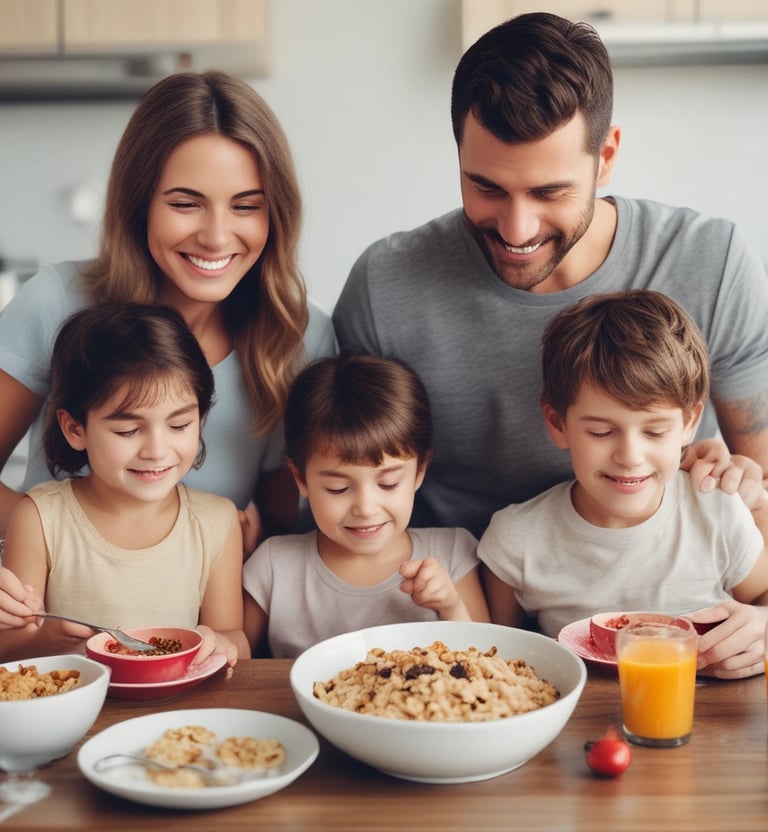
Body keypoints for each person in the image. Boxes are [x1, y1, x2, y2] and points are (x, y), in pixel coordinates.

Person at [332, 12, 768, 541]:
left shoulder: (710, 262)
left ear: (605, 157)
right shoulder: (385, 287)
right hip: (457, 602)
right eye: (487, 187)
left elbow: (760, 481)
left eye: (548, 192)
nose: (517, 230)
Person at [0, 70, 335, 552]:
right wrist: (81, 544)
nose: (217, 237)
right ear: (140, 205)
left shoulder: (302, 338)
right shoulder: (56, 299)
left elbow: (282, 530)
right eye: (186, 203)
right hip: (54, 610)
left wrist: (252, 543)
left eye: (245, 207)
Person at [478, 290, 768, 680]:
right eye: (600, 432)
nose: (630, 455)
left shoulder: (715, 511)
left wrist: (760, 626)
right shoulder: (517, 541)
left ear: (688, 423)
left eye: (654, 431)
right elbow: (492, 660)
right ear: (558, 423)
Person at [0, 303, 250, 665]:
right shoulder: (39, 518)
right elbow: (7, 651)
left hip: (179, 713)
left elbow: (233, 636)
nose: (156, 450)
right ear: (75, 429)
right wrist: (45, 641)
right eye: (128, 430)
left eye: (179, 425)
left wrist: (221, 643)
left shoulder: (217, 521)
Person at [241, 352, 489, 658]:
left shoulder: (452, 555)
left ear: (419, 471)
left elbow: (487, 667)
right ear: (300, 478)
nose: (366, 508)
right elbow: (235, 666)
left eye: (388, 484)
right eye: (338, 488)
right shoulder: (273, 567)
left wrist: (449, 606)